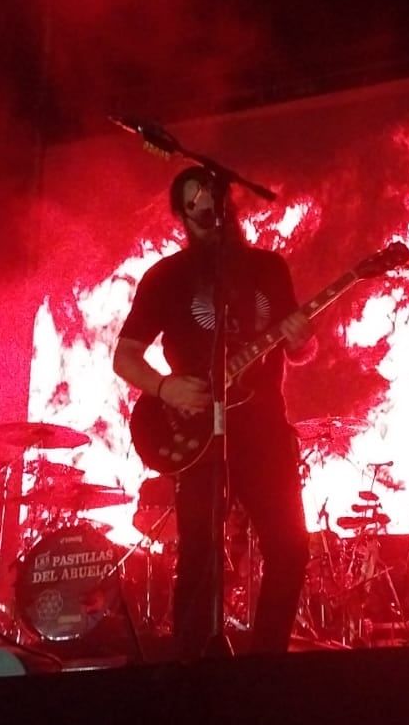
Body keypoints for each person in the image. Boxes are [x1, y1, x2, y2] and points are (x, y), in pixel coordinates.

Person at [113, 166, 316, 660]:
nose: (205, 207)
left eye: (211, 197)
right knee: (201, 554)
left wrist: (301, 339)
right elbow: (124, 356)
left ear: (228, 205)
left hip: (265, 427)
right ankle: (192, 668)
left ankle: (267, 662)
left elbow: (300, 350)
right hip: (199, 430)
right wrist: (165, 388)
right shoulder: (167, 276)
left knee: (289, 549)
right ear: (182, 215)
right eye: (192, 202)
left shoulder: (270, 268)